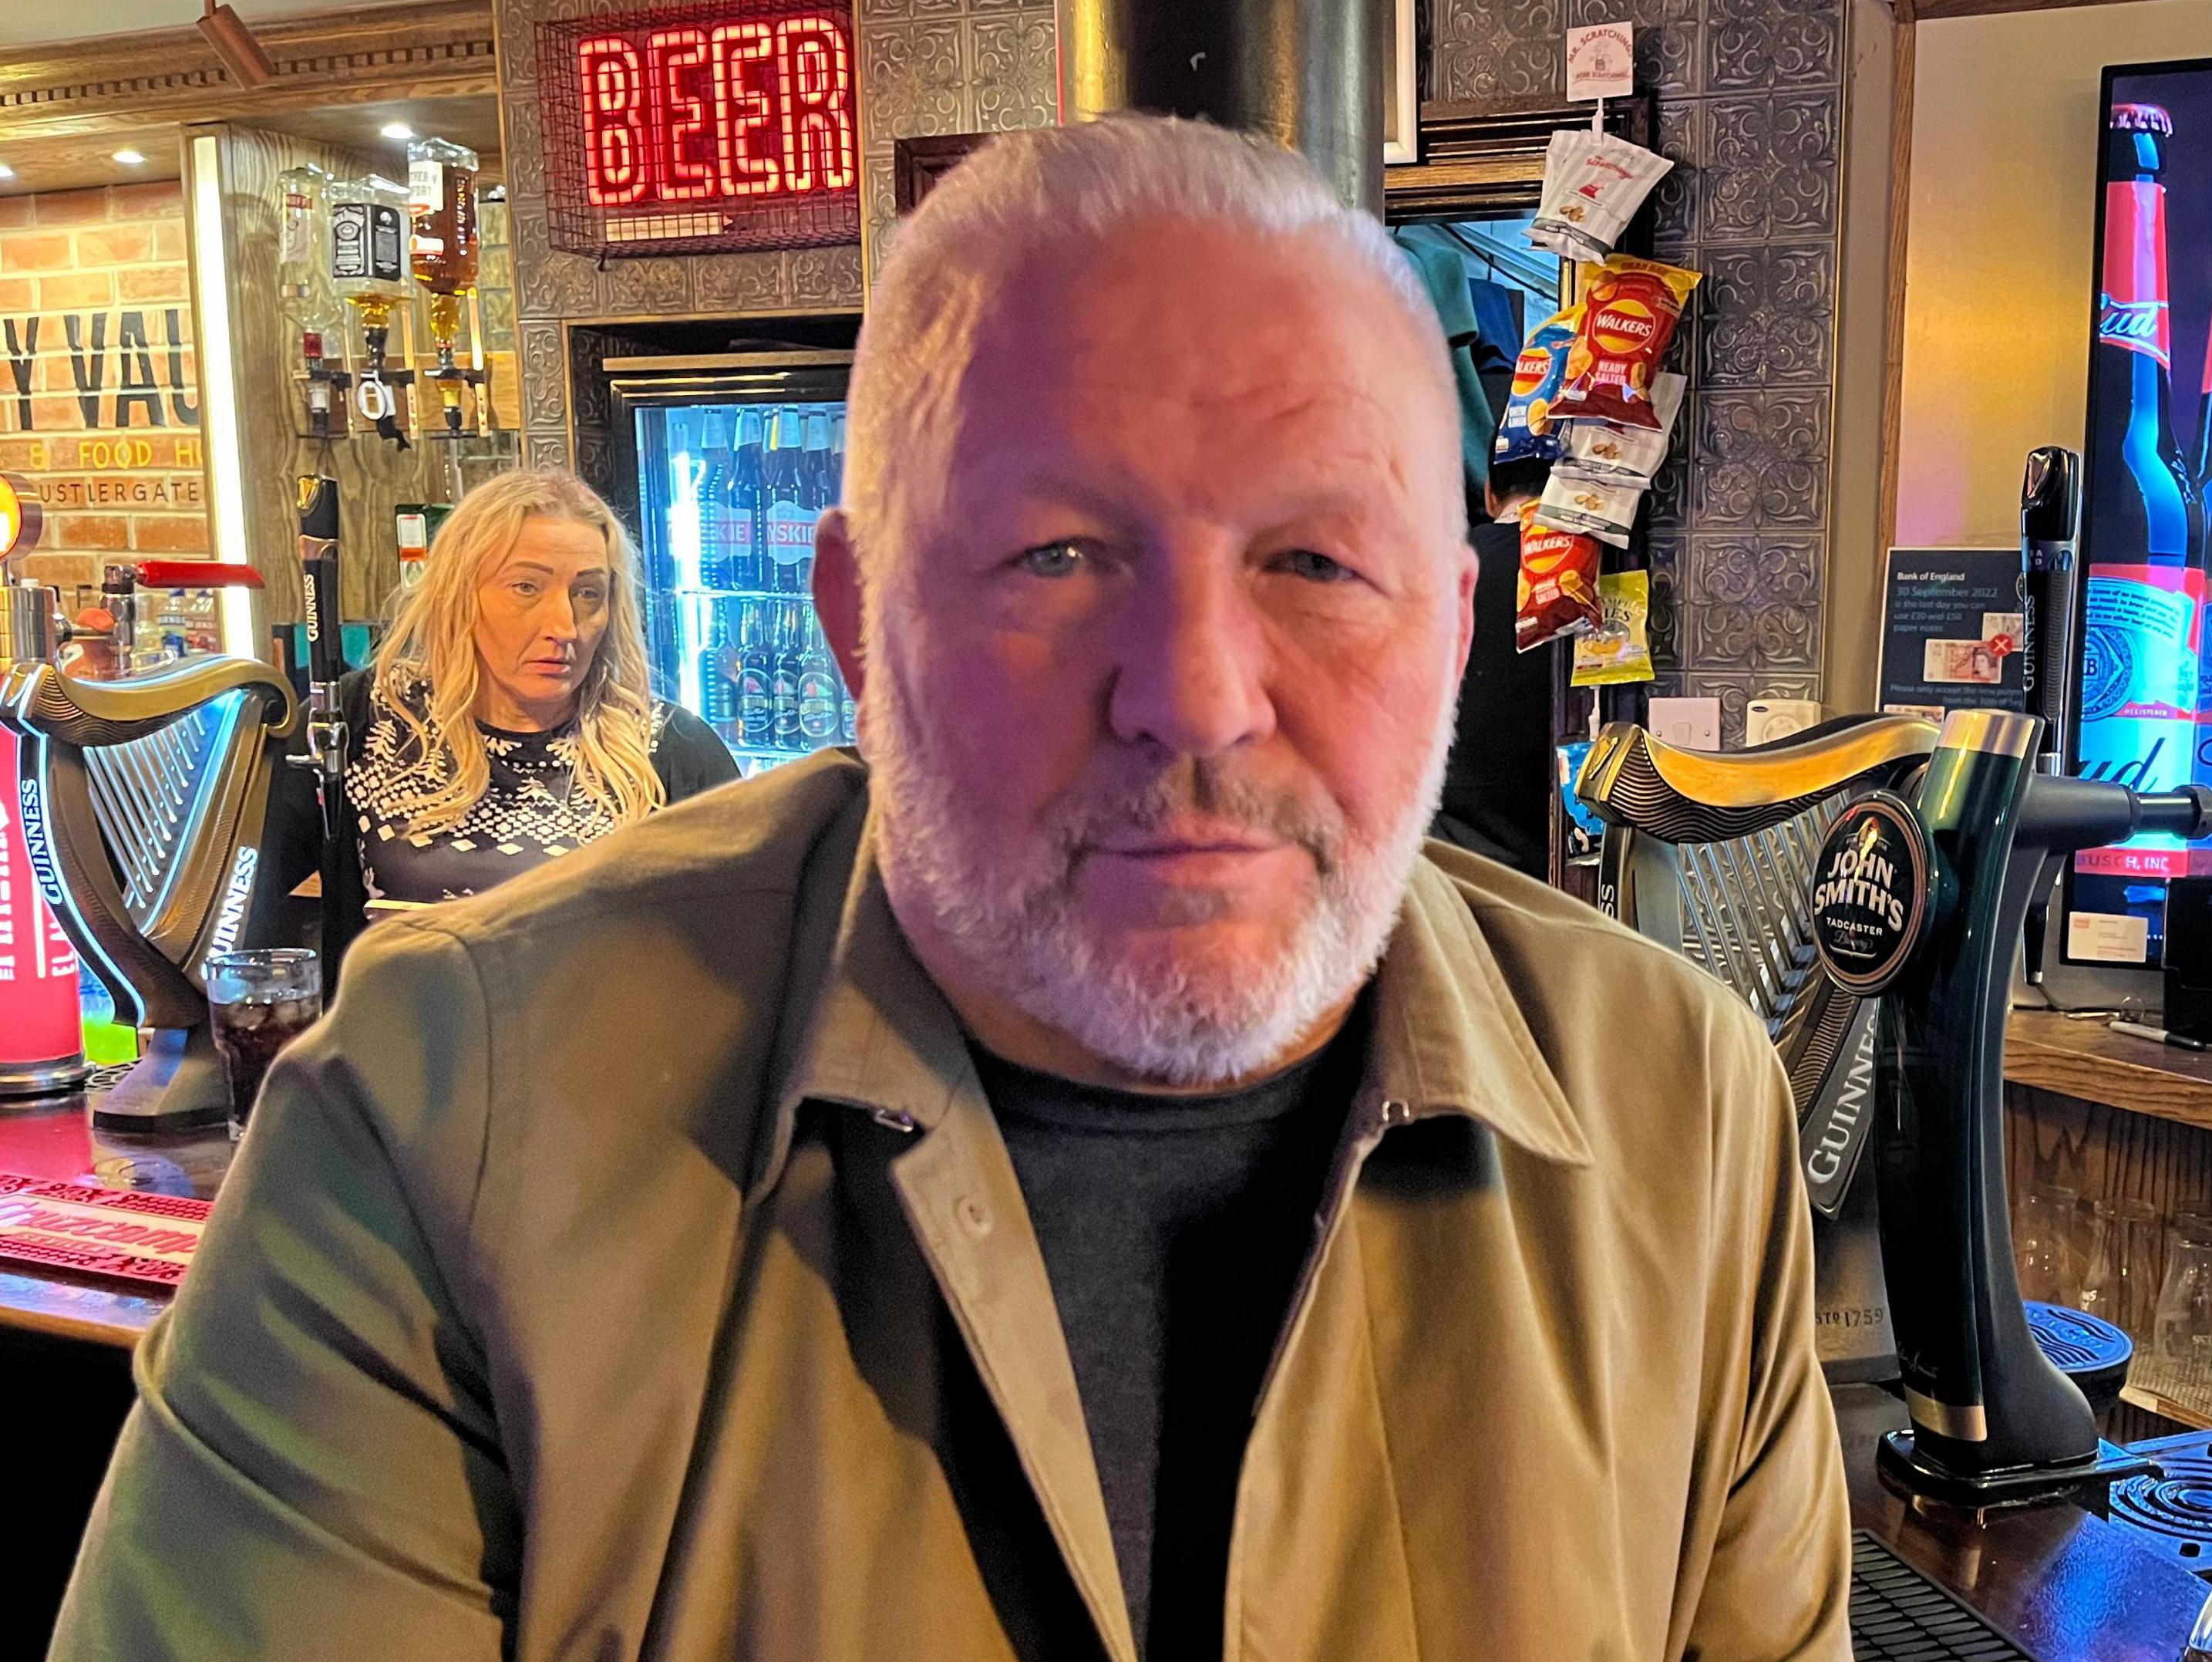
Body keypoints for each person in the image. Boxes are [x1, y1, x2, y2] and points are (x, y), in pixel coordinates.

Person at [54, 117, 1849, 1660]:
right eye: (1058, 555)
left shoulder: (1683, 1120)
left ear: (1455, 630)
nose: (1198, 693)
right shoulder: (438, 1124)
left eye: (1315, 559)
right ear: (852, 622)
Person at [268, 467, 739, 908]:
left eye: (588, 593)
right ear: (458, 595)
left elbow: (751, 942)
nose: (565, 627)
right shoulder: (364, 719)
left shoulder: (667, 750)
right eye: (526, 588)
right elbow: (230, 912)